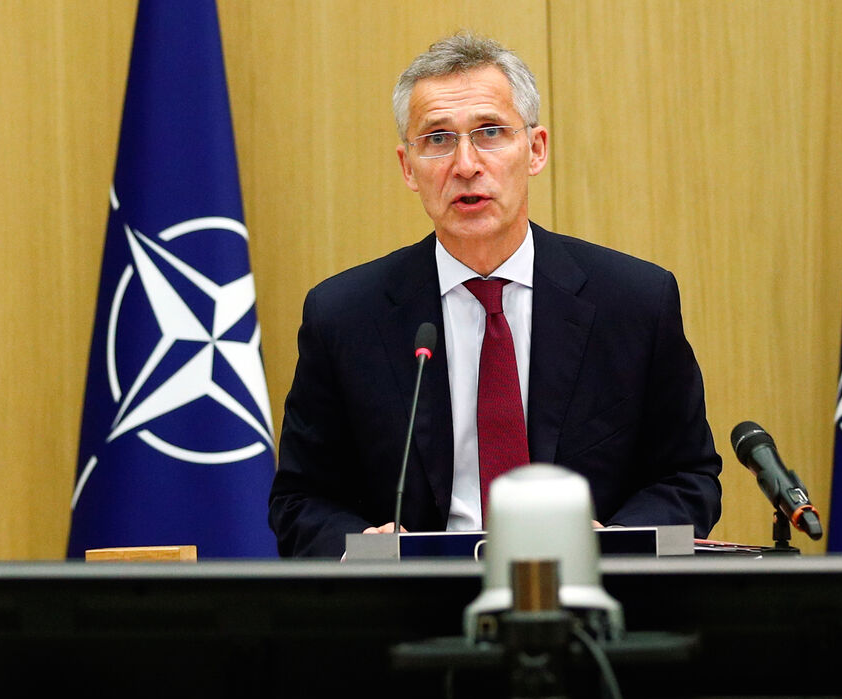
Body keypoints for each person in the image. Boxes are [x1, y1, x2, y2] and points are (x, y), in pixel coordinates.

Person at [268, 33, 722, 558]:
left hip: (588, 602)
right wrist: (365, 550)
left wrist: (616, 543)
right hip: (413, 607)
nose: (465, 164)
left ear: (535, 149)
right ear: (407, 167)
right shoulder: (344, 317)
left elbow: (689, 476)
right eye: (437, 139)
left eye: (490, 133)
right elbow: (300, 499)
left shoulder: (635, 302)